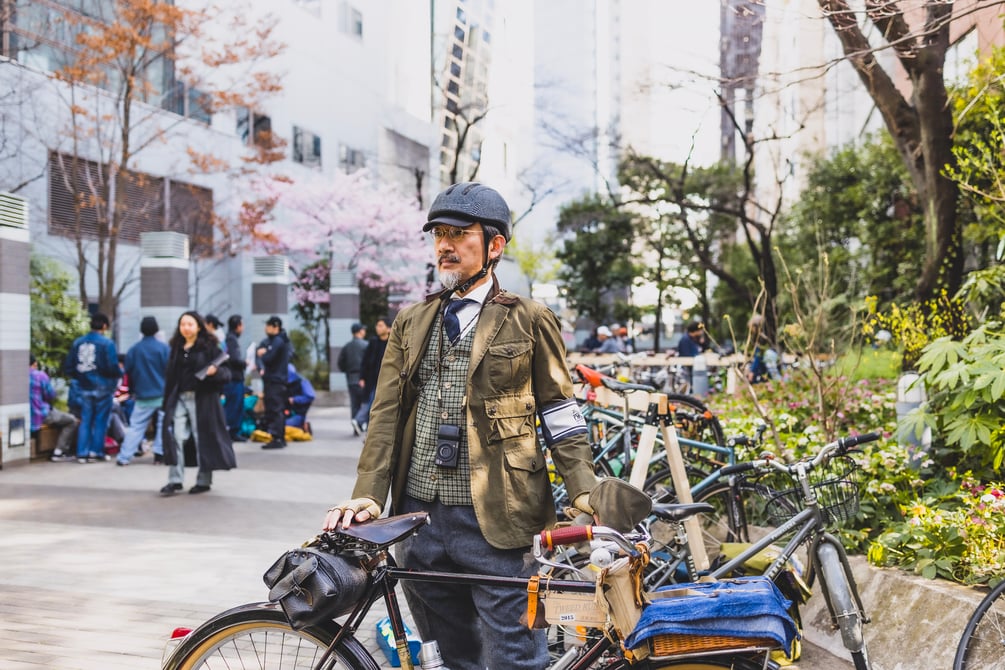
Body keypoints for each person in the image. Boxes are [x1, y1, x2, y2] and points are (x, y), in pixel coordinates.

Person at [322, 181, 597, 670]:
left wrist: (583, 489)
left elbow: (559, 409)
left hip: (500, 519)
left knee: (516, 657)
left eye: (458, 234)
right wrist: (369, 492)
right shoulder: (412, 320)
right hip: (418, 521)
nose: (445, 245)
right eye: (438, 235)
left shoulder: (530, 319)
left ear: (495, 245)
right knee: (452, 656)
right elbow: (387, 412)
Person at [159, 311, 236, 496]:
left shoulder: (209, 347)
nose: (186, 328)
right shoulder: (177, 347)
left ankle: (203, 480)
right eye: (183, 324)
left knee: (202, 438)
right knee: (176, 437)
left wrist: (213, 373)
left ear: (198, 326)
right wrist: (166, 402)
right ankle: (175, 480)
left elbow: (227, 373)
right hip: (179, 397)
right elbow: (170, 377)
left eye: (190, 324)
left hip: (202, 399)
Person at [63, 312, 121, 463]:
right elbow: (111, 366)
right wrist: (117, 375)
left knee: (86, 419)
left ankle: (82, 453)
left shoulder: (78, 343)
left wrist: (79, 377)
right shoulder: (107, 344)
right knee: (101, 420)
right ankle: (96, 451)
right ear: (104, 326)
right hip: (103, 386)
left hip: (83, 386)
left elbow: (69, 366)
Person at [117, 316, 170, 466]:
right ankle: (159, 454)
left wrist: (133, 391)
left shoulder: (134, 350)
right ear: (156, 330)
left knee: (136, 427)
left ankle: (124, 457)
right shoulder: (164, 349)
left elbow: (129, 372)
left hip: (142, 395)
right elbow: (170, 371)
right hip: (162, 394)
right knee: (163, 425)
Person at [29, 354, 79, 462]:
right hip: (40, 414)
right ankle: (59, 452)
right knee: (72, 421)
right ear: (34, 363)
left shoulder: (15, 375)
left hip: (25, 416)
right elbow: (50, 395)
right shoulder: (39, 375)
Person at [256, 315, 292, 450]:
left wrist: (263, 354)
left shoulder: (278, 341)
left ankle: (277, 437)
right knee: (277, 409)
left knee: (275, 409)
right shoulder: (281, 340)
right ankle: (279, 437)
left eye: (268, 326)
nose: (266, 328)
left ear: (275, 327)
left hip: (275, 381)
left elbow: (269, 358)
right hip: (278, 380)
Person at [352, 316, 390, 434]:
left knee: (375, 403)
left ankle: (362, 423)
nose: (377, 328)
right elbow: (365, 361)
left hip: (387, 380)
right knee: (372, 401)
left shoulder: (393, 342)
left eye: (380, 325)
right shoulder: (373, 342)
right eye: (377, 325)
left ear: (388, 328)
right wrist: (362, 378)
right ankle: (362, 423)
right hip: (372, 379)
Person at [337, 322, 368, 435]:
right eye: (363, 330)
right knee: (366, 403)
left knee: (354, 404)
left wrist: (347, 371)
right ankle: (361, 423)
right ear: (360, 331)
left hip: (351, 378)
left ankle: (356, 426)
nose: (365, 331)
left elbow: (340, 363)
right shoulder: (366, 345)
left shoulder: (347, 346)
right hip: (363, 378)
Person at [223, 315, 248, 441]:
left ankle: (233, 432)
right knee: (233, 406)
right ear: (238, 326)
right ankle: (231, 432)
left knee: (237, 406)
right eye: (242, 325)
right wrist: (245, 363)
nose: (243, 328)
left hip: (235, 378)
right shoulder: (231, 340)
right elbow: (234, 359)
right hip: (233, 379)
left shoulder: (231, 339)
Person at [747, 314, 781, 383]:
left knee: (776, 378)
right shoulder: (766, 335)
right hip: (773, 356)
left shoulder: (760, 338)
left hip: (768, 357)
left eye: (752, 327)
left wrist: (752, 371)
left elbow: (758, 355)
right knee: (774, 377)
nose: (751, 330)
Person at [285, 363, 316, 430]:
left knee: (282, 426)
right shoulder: (281, 382)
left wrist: (294, 399)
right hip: (284, 411)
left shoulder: (302, 381)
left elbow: (310, 396)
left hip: (296, 413)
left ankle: (302, 426)